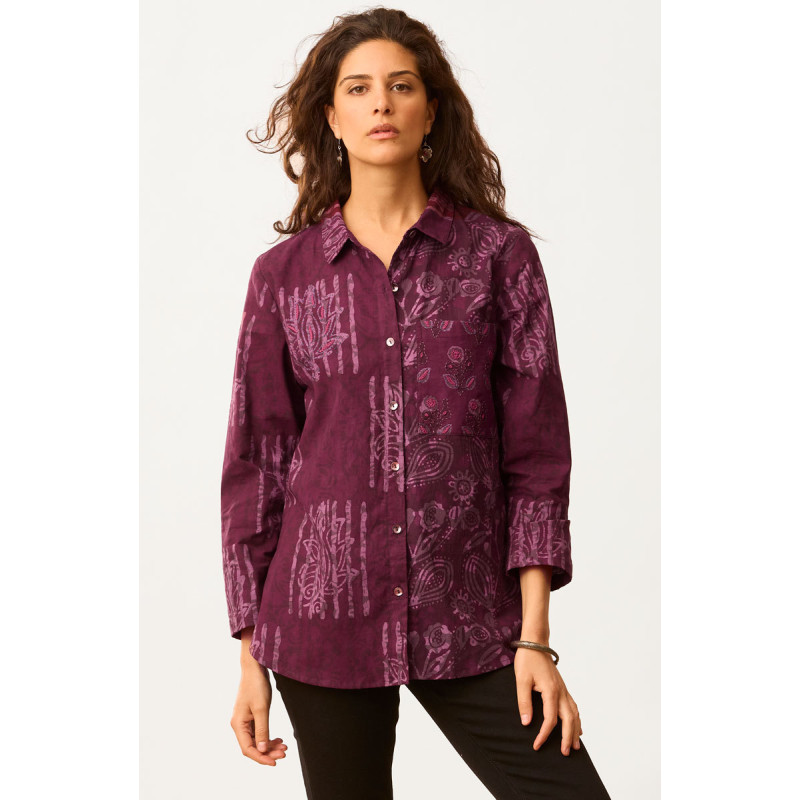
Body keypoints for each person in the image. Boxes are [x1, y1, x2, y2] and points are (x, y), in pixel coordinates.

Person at [220, 7, 613, 799]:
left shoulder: (499, 258)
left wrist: (535, 641)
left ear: (431, 110)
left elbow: (537, 457)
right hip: (321, 618)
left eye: (401, 86)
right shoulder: (285, 276)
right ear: (330, 116)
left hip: (471, 615)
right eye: (358, 88)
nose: (381, 103)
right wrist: (250, 656)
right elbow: (258, 466)